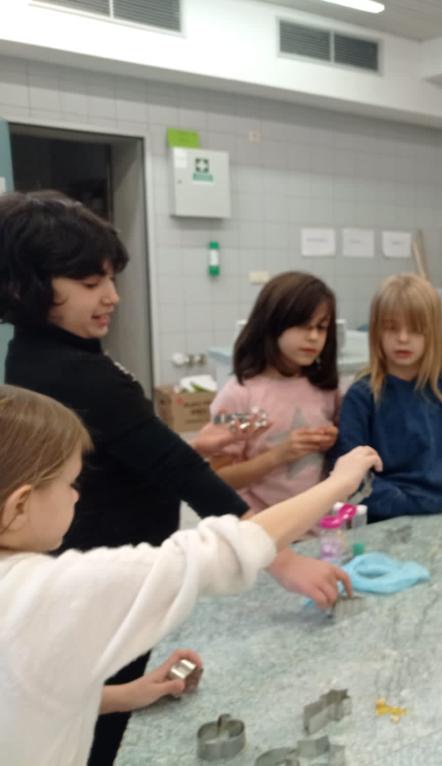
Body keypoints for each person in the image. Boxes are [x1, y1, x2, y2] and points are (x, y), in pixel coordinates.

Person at [0, 191, 347, 763]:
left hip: (111, 580)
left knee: (88, 699)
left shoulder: (46, 352)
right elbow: (183, 474)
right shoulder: (75, 370)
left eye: (111, 279)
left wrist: (187, 443)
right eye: (90, 283)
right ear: (29, 286)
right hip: (114, 576)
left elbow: (133, 447)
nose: (111, 296)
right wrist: (281, 559)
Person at [0, 383, 381, 766]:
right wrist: (339, 483)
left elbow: (24, 691)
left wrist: (123, 695)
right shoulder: (42, 593)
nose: (76, 495)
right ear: (20, 506)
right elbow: (223, 551)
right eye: (70, 483)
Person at [331, 273, 442, 522]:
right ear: (377, 331)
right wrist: (403, 501)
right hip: (384, 520)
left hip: (439, 513)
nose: (403, 338)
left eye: (415, 329)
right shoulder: (362, 397)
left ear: (432, 334)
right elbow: (350, 472)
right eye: (392, 328)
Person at [210, 272, 340, 512]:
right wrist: (277, 456)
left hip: (318, 523)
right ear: (272, 324)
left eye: (321, 328)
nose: (313, 337)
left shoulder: (325, 388)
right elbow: (218, 478)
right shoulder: (240, 395)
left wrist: (331, 441)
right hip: (263, 525)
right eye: (302, 325)